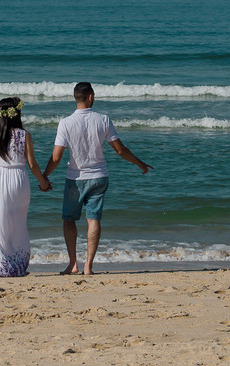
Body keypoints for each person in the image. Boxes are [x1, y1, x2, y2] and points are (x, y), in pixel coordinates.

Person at [43, 82, 152, 275]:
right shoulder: (103, 120)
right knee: (93, 219)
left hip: (74, 179)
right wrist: (139, 163)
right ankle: (88, 266)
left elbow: (56, 157)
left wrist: (44, 176)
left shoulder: (65, 123)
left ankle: (73, 264)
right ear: (91, 97)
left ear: (76, 97)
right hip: (99, 177)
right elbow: (120, 150)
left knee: (69, 220)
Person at [0, 97, 52, 277]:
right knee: (18, 223)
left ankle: (1, 267)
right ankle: (18, 266)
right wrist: (43, 181)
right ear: (17, 113)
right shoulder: (24, 135)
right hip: (19, 180)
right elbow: (32, 164)